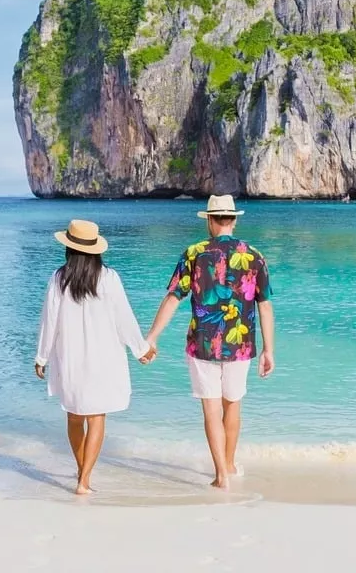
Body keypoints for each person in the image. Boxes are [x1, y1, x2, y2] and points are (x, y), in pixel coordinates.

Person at [146, 194, 274, 490]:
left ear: (210, 220)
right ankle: (229, 463)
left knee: (211, 410)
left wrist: (152, 337)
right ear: (234, 219)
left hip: (202, 343)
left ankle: (221, 475)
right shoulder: (254, 255)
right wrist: (269, 349)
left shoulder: (194, 253)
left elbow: (173, 297)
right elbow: (265, 305)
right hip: (240, 344)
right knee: (233, 406)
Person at [35, 219, 156, 495]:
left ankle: (82, 471)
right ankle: (84, 479)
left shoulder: (58, 278)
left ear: (69, 249)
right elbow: (124, 318)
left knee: (74, 417)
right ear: (95, 250)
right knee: (96, 418)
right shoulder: (109, 278)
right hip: (104, 359)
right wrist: (141, 349)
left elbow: (48, 322)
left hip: (70, 358)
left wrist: (41, 357)